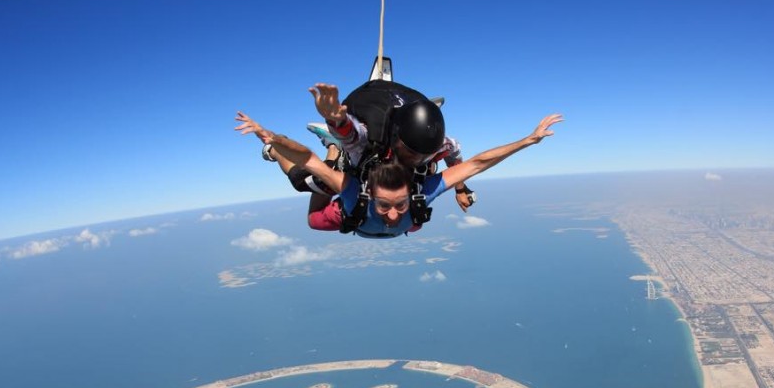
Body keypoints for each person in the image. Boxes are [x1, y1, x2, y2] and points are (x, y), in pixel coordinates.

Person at [237, 112, 563, 239]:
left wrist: (528, 141)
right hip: (352, 202)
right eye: (384, 206)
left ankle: (337, 151)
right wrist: (271, 140)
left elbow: (476, 163)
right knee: (308, 185)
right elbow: (307, 159)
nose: (393, 215)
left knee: (416, 212)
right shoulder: (351, 192)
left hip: (366, 208)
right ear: (370, 197)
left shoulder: (424, 188)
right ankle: (334, 149)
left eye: (400, 205)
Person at [308, 82, 476, 212]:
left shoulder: (441, 144)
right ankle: (333, 147)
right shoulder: (373, 141)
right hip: (358, 155)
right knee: (315, 212)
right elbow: (353, 136)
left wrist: (460, 189)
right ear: (395, 139)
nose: (415, 161)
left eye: (423, 157)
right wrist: (337, 121)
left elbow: (454, 153)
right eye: (410, 153)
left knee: (414, 221)